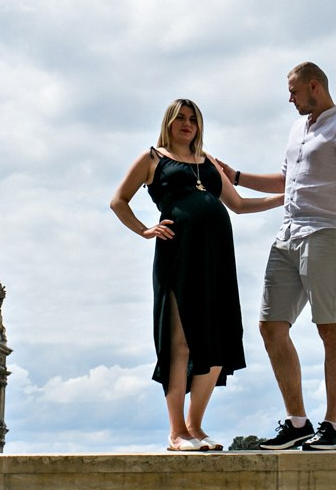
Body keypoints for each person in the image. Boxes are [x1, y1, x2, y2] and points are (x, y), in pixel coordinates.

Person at [217, 62, 336, 452]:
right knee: (270, 326)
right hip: (287, 236)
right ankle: (297, 424)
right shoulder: (297, 129)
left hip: (326, 235)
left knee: (330, 328)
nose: (289, 98)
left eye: (293, 91)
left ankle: (333, 428)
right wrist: (235, 176)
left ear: (314, 86)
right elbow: (285, 180)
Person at [110, 98, 283, 452]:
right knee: (181, 343)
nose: (187, 124)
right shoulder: (152, 158)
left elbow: (239, 204)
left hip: (217, 257)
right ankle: (176, 433)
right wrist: (145, 229)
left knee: (218, 340)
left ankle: (195, 427)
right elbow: (118, 201)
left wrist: (285, 197)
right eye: (181, 118)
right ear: (169, 123)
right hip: (179, 255)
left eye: (193, 119)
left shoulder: (208, 161)